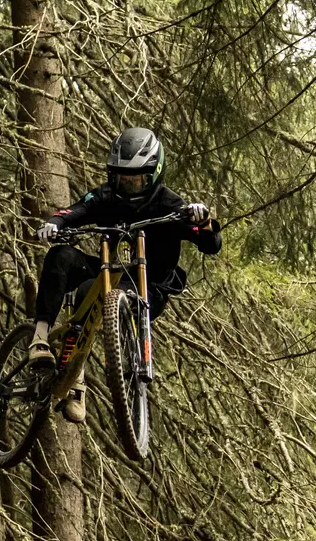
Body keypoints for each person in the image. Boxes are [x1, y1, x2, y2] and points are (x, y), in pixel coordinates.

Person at [27, 127, 221, 423]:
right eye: (122, 177)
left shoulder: (171, 204)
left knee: (114, 298)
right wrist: (53, 223)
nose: (129, 184)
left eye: (137, 179)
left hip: (151, 285)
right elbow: (74, 211)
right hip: (108, 276)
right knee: (62, 258)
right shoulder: (105, 196)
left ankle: (116, 368)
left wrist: (203, 220)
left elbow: (209, 243)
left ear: (154, 173)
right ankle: (42, 340)